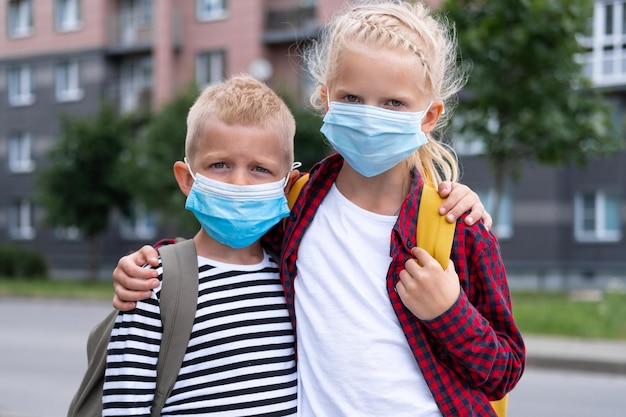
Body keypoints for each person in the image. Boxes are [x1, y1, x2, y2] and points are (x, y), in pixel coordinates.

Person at [112, 1, 525, 416]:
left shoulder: (456, 225)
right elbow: (229, 243)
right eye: (352, 97)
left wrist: (448, 313)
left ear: (429, 116)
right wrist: (155, 263)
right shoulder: (296, 207)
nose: (368, 116)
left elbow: (503, 371)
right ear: (326, 100)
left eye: (393, 103)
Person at [101, 75, 301, 416]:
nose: (239, 182)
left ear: (287, 186)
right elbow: (125, 404)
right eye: (220, 165)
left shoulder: (295, 279)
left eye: (259, 169)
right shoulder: (152, 284)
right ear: (187, 179)